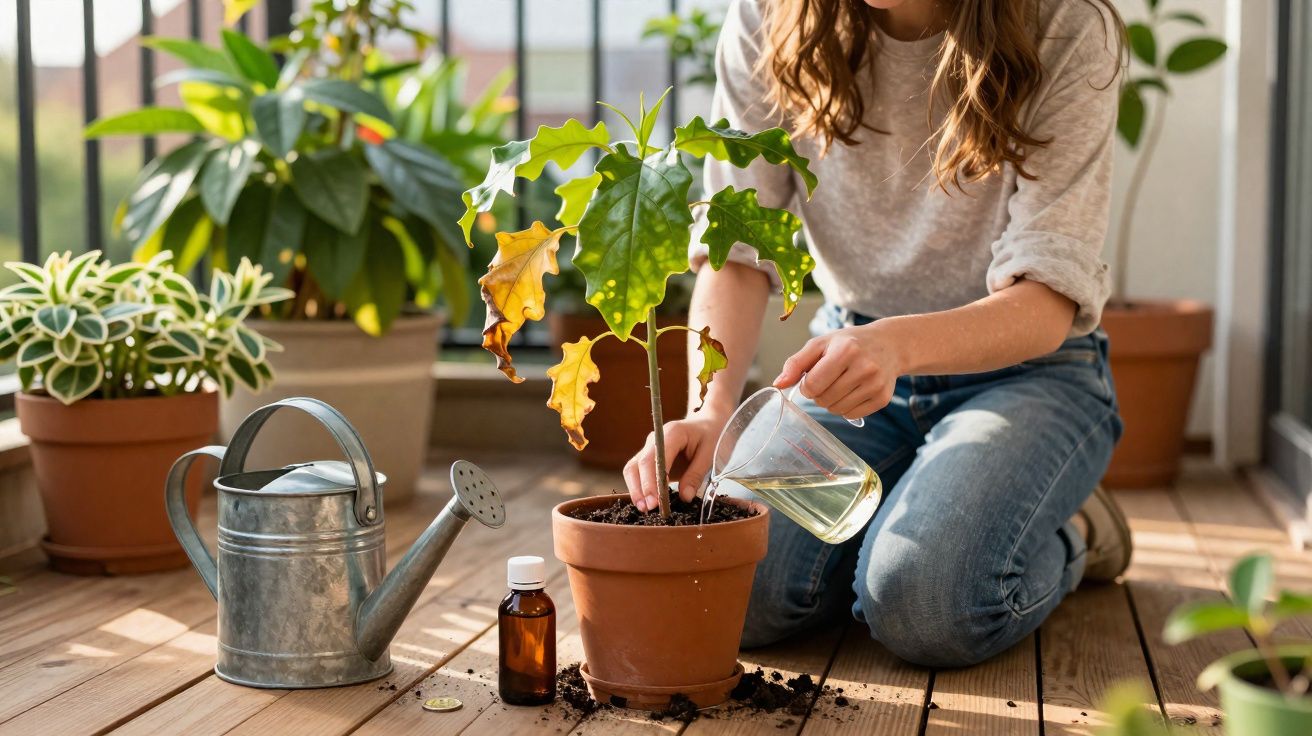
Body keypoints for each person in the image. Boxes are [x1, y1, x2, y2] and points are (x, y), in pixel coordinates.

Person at [622, 0, 1132, 669]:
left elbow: (1046, 302)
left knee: (924, 605)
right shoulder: (768, 17)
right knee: (735, 592)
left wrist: (897, 346)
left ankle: (1079, 529)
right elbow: (736, 251)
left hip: (1031, 374)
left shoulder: (1065, 26)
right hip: (845, 368)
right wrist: (711, 410)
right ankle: (916, 506)